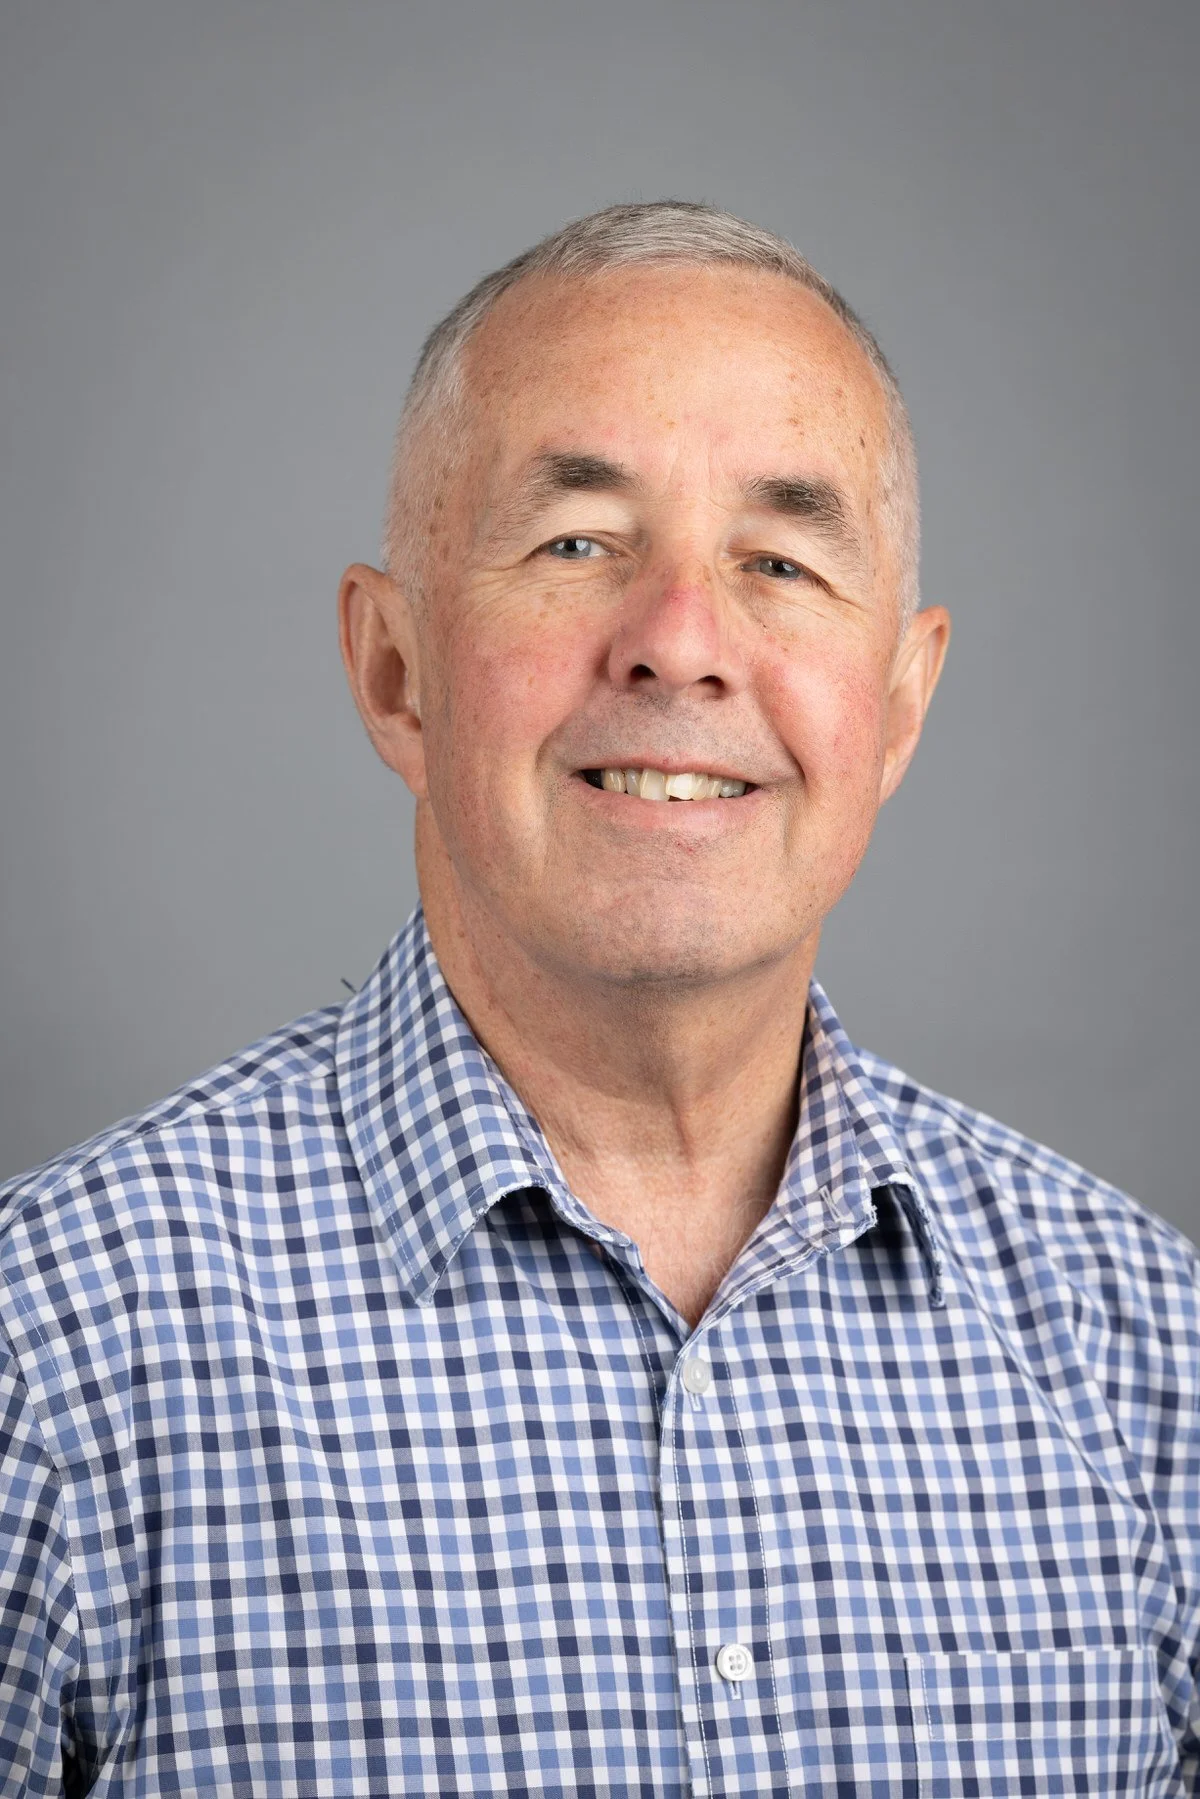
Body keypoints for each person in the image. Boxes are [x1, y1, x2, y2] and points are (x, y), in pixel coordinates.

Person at [0, 200, 1195, 1799]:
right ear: (394, 672)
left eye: (779, 559)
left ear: (900, 707)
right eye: (579, 543)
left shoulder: (1153, 1361)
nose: (681, 646)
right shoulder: (50, 1360)